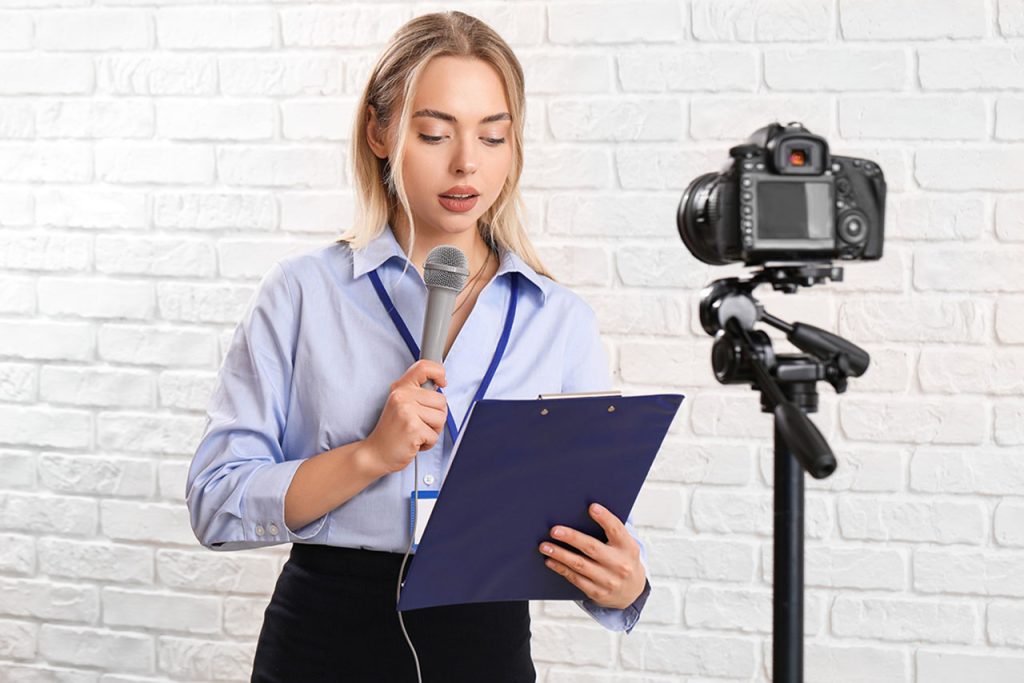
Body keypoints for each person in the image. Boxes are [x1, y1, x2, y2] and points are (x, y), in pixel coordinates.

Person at [185, 11, 651, 683]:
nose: (467, 162)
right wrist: (369, 456)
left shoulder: (561, 320)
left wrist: (624, 585)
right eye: (435, 133)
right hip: (324, 638)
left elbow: (591, 524)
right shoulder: (302, 293)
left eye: (493, 136)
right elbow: (214, 499)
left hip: (484, 645)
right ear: (379, 132)